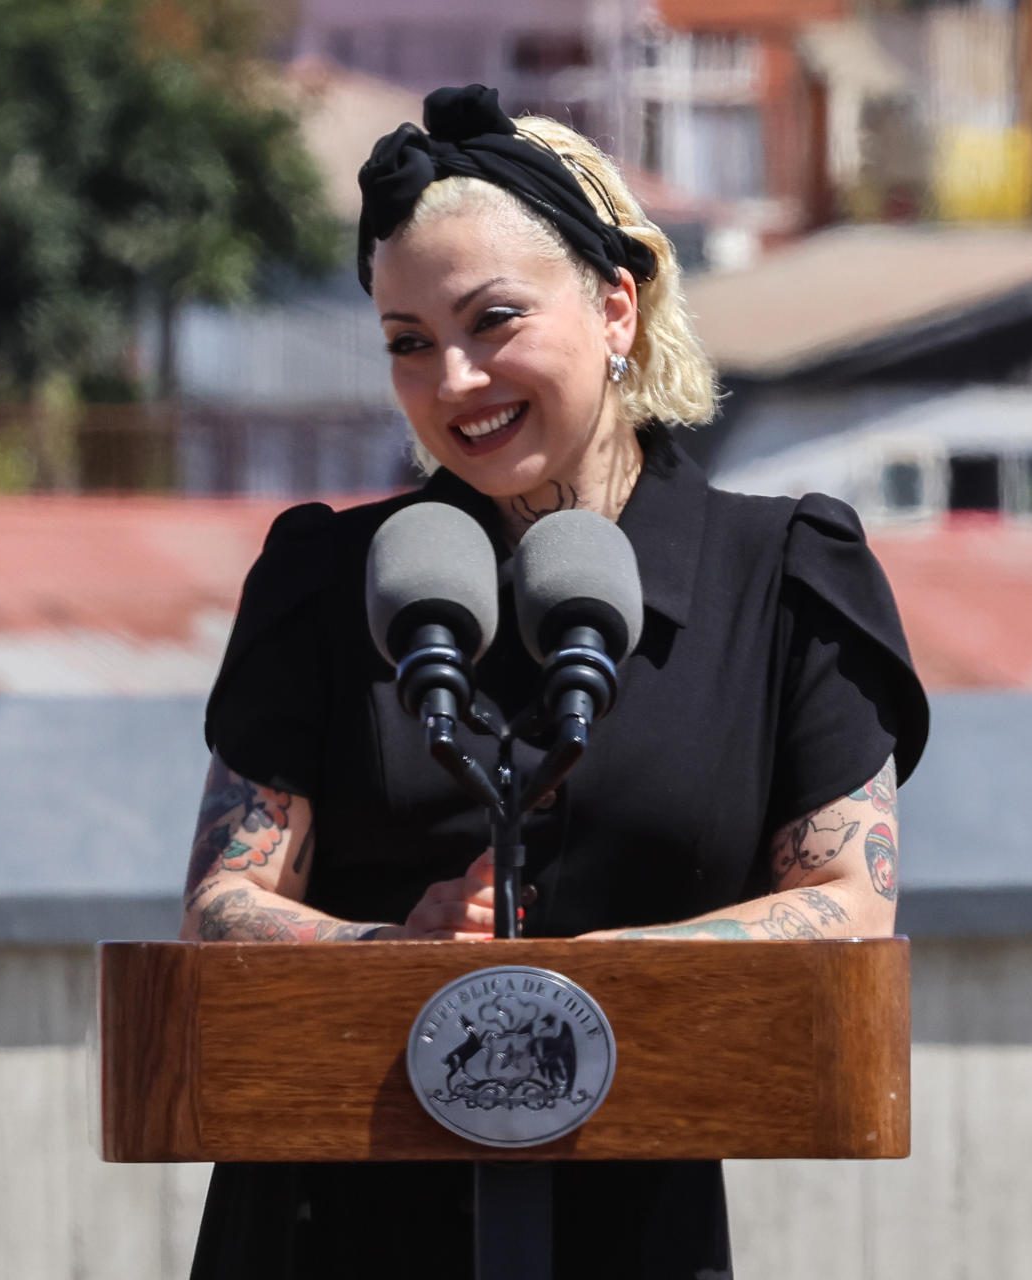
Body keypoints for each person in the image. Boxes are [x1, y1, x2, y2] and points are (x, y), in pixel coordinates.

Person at [178, 84, 928, 1280]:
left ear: (616, 303)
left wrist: (559, 986)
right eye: (409, 342)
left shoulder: (781, 575)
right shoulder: (331, 579)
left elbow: (849, 900)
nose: (456, 380)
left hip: (636, 1237)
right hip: (329, 1232)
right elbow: (224, 907)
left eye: (494, 320)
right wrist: (394, 952)